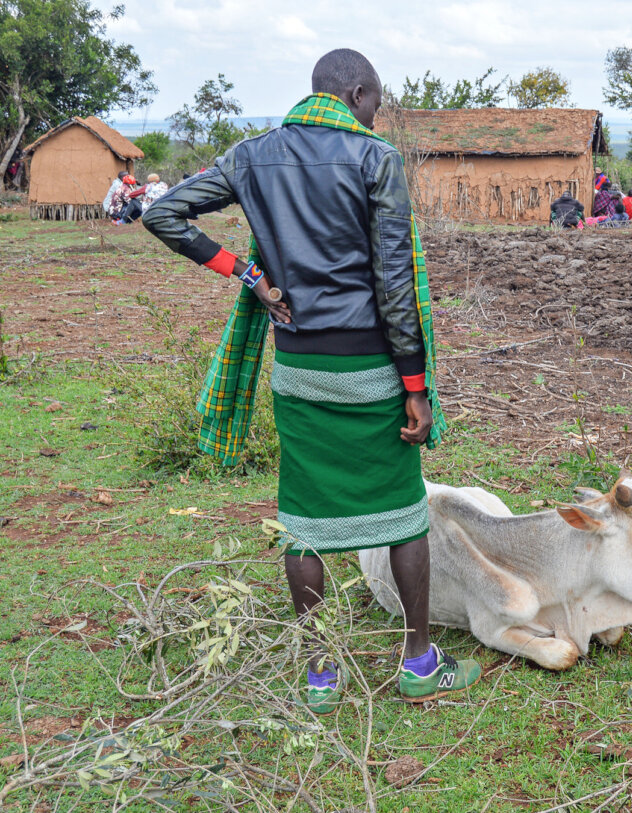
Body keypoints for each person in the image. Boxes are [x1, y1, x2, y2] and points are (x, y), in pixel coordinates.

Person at [143, 47, 481, 711]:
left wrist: (249, 275)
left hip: (297, 364)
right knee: (405, 515)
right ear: (355, 93)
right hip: (371, 366)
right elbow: (393, 284)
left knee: (303, 519)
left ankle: (319, 672)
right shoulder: (375, 159)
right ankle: (417, 662)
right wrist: (415, 384)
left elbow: (163, 214)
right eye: (373, 105)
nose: (373, 118)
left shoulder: (252, 154)